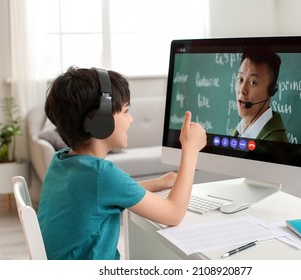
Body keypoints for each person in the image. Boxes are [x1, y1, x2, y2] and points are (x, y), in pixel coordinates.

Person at [37, 66, 206, 260]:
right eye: (126, 110)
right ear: (99, 121)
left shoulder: (62, 162)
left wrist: (157, 183)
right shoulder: (101, 174)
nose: (131, 119)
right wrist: (190, 150)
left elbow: (102, 196)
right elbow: (174, 213)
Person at [233, 47, 288, 142]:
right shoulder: (240, 131)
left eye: (252, 82)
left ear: (271, 90)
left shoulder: (277, 146)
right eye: (240, 79)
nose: (242, 90)